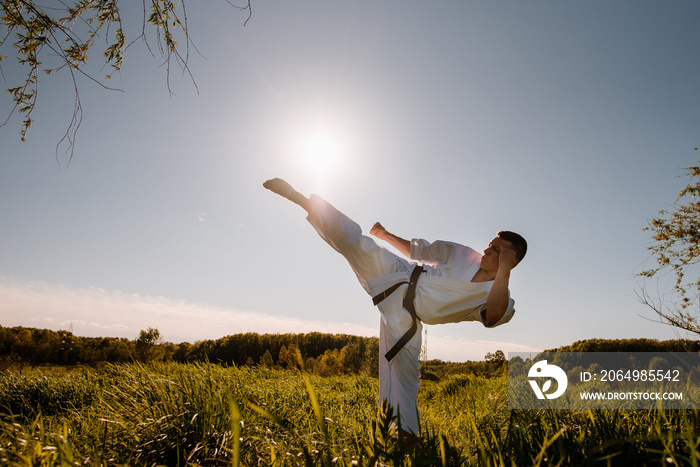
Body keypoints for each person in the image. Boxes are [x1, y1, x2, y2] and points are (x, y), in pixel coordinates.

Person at [263, 178, 526, 440]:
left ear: (510, 259)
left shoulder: (501, 298)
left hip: (407, 318)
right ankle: (302, 200)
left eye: (495, 248)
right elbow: (419, 250)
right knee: (360, 245)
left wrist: (504, 271)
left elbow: (493, 315)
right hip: (401, 273)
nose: (486, 249)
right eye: (490, 244)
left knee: (406, 377)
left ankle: (403, 439)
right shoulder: (464, 255)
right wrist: (385, 235)